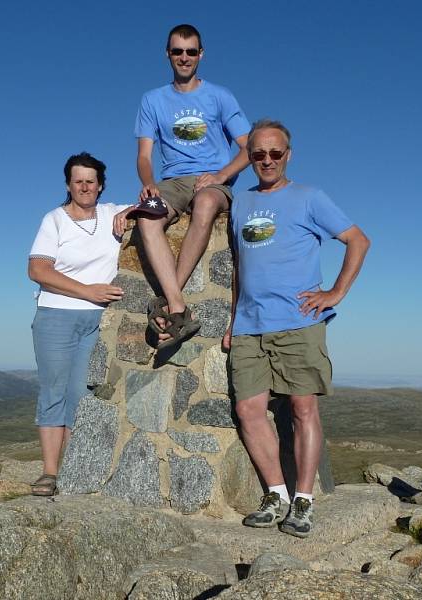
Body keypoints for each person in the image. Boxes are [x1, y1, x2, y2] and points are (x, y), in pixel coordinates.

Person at [225, 119, 371, 537]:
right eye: (258, 154)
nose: (267, 160)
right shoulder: (241, 203)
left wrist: (336, 292)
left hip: (298, 322)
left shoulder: (310, 197)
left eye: (275, 153)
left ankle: (303, 502)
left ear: (288, 155)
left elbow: (358, 239)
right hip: (250, 325)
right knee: (248, 410)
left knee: (304, 410)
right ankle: (276, 495)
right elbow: (240, 267)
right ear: (249, 157)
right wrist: (234, 320)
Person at [114, 23, 250, 349]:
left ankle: (167, 302)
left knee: (204, 203)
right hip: (171, 182)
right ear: (168, 54)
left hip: (212, 182)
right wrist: (149, 185)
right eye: (178, 51)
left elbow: (249, 148)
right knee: (147, 216)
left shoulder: (220, 96)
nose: (184, 58)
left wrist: (220, 176)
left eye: (191, 52)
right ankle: (177, 306)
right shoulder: (152, 100)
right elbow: (144, 155)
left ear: (201, 54)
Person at [27, 152, 131, 496]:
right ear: (68, 185)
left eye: (90, 181)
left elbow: (156, 205)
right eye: (77, 181)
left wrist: (131, 213)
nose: (84, 186)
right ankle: (50, 472)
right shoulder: (55, 220)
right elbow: (38, 270)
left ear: (100, 185)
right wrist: (88, 291)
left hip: (98, 320)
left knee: (81, 396)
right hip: (56, 315)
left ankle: (74, 471)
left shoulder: (112, 213)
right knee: (54, 392)